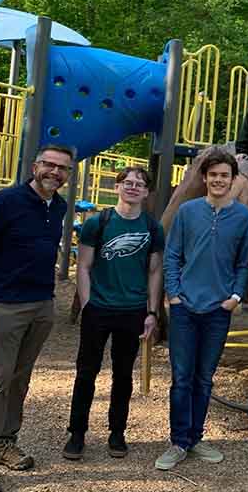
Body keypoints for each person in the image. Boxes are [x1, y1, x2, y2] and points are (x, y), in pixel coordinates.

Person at [0, 145, 74, 492]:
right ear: (35, 166)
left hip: (42, 305)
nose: (55, 172)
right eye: (49, 165)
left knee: (21, 378)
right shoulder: (7, 201)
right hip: (7, 305)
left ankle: (6, 440)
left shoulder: (59, 206)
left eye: (62, 168)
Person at [155, 147, 248, 471]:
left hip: (218, 309)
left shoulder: (244, 217)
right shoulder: (187, 212)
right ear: (205, 177)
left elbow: (244, 263)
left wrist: (236, 296)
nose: (218, 180)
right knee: (181, 377)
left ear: (232, 179)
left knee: (204, 378)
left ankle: (195, 438)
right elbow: (172, 255)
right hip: (185, 307)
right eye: (213, 175)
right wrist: (173, 294)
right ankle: (178, 441)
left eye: (224, 175)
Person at [62, 166, 164, 460]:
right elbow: (83, 265)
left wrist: (152, 312)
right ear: (118, 187)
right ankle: (77, 433)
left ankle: (117, 433)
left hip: (133, 311)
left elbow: (155, 271)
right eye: (127, 182)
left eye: (139, 184)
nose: (132, 187)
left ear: (146, 192)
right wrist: (87, 302)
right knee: (86, 372)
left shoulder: (153, 228)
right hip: (99, 309)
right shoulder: (98, 223)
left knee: (123, 375)